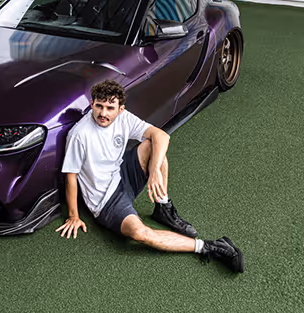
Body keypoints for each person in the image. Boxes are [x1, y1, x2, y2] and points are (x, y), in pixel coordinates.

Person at [57, 79, 244, 272]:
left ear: (120, 109)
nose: (103, 113)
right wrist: (73, 216)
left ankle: (163, 207)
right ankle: (210, 246)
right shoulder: (79, 134)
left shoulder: (123, 118)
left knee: (154, 146)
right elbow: (71, 175)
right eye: (99, 106)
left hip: (122, 174)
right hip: (106, 201)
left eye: (110, 108)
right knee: (139, 233)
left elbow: (161, 136)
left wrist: (154, 171)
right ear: (92, 104)